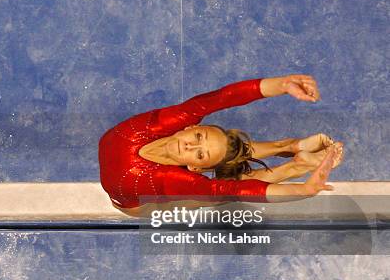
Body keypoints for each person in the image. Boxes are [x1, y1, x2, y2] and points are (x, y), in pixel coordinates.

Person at [98, 74, 344, 216]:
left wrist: (303, 191)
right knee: (221, 174)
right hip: (133, 194)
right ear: (190, 127)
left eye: (200, 155)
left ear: (195, 168)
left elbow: (239, 191)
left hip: (132, 197)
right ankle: (290, 146)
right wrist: (281, 84)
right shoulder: (167, 122)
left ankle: (292, 164)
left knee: (220, 191)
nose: (190, 147)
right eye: (197, 138)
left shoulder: (177, 180)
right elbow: (221, 98)